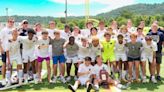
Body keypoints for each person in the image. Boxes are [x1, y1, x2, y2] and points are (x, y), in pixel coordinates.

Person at [0, 18, 14, 85]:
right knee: (4, 64)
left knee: (10, 64)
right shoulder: (4, 30)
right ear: (7, 22)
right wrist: (1, 48)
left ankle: (9, 78)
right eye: (10, 21)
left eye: (12, 22)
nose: (11, 23)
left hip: (12, 50)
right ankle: (3, 79)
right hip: (5, 50)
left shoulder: (14, 30)